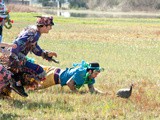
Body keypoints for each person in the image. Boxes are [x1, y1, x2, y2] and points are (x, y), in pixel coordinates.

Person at [9, 15, 57, 97]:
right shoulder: (33, 34)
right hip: (15, 58)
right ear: (44, 26)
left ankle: (16, 82)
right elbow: (16, 44)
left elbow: (34, 48)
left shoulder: (34, 31)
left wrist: (45, 53)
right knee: (40, 72)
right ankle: (15, 81)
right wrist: (14, 60)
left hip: (17, 57)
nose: (51, 28)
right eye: (50, 26)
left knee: (39, 71)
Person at [33, 60, 106, 94]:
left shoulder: (90, 76)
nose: (96, 76)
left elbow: (92, 90)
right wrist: (77, 93)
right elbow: (69, 83)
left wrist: (104, 93)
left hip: (56, 70)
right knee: (32, 87)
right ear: (90, 71)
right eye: (96, 73)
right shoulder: (82, 73)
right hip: (53, 77)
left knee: (33, 69)